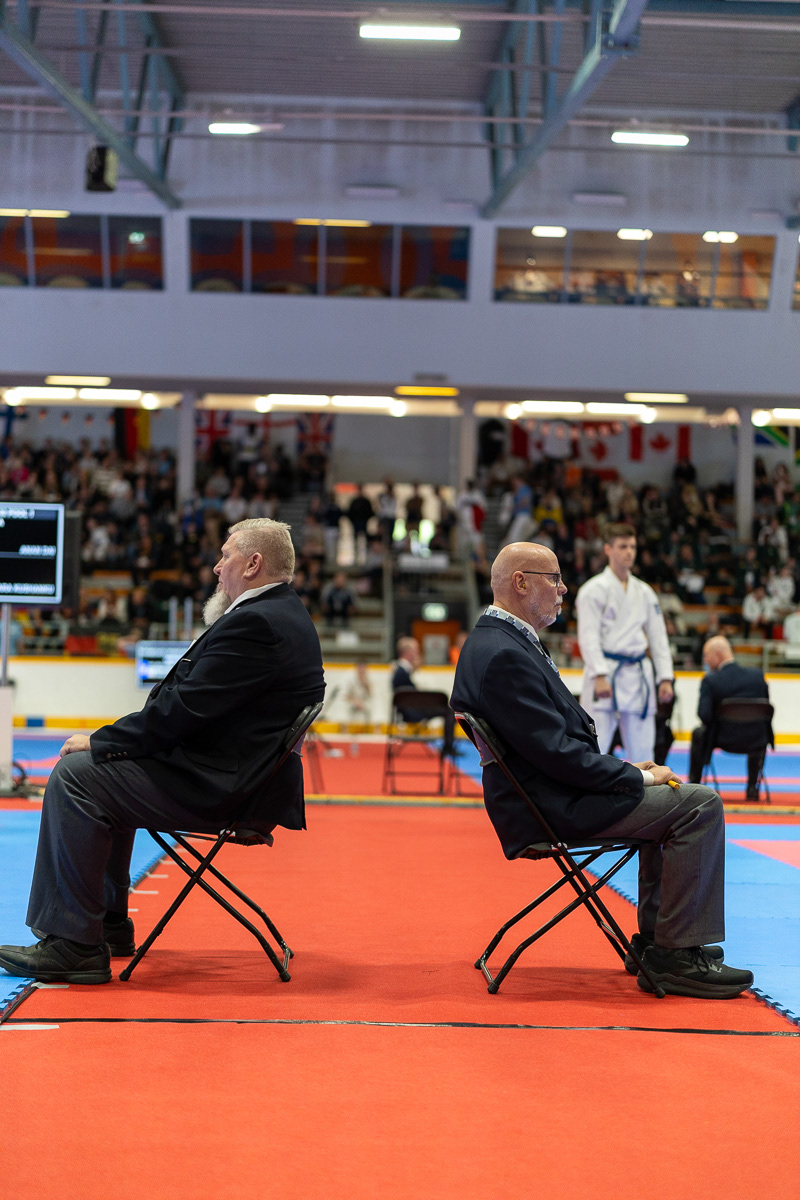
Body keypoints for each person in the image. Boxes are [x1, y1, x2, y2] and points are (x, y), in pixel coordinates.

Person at [0, 518, 325, 985]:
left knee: (77, 776)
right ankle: (106, 925)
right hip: (232, 775)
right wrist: (117, 745)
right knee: (108, 765)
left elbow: (183, 711)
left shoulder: (258, 622)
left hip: (220, 787)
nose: (216, 567)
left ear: (254, 564)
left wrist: (102, 739)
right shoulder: (280, 613)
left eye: (226, 556)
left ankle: (74, 945)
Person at [450, 541, 754, 999]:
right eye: (554, 579)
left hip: (548, 794)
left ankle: (661, 942)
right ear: (520, 582)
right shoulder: (504, 653)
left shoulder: (497, 642)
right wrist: (635, 777)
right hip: (552, 807)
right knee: (699, 804)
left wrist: (624, 768)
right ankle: (675, 956)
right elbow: (557, 754)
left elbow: (549, 749)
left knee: (674, 799)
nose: (563, 589)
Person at [576, 523, 674, 763]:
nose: (629, 552)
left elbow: (658, 637)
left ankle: (644, 788)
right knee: (594, 745)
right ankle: (588, 788)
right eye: (623, 546)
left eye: (632, 547)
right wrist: (599, 673)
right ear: (608, 549)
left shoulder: (645, 592)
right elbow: (588, 636)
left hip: (637, 673)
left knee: (643, 749)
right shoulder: (592, 590)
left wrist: (665, 677)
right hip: (605, 671)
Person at [689, 635, 772, 801]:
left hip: (722, 738)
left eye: (706, 655)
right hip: (756, 739)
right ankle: (752, 787)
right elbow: (764, 713)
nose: (705, 660)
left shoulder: (711, 681)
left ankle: (694, 788)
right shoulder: (757, 677)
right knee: (757, 730)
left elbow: (704, 716)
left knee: (698, 733)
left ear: (718, 654)